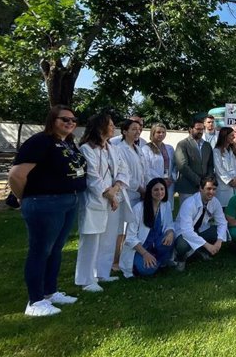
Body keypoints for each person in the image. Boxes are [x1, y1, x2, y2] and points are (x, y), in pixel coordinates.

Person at [9, 105, 87, 316]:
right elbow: (16, 175)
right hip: (44, 202)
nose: (70, 123)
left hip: (68, 201)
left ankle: (50, 292)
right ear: (53, 120)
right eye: (65, 119)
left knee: (55, 249)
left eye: (73, 120)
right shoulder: (40, 141)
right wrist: (23, 197)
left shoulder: (67, 142)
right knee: (40, 250)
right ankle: (34, 302)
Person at [75, 113, 130, 292]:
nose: (113, 128)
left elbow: (122, 169)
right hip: (95, 201)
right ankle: (86, 279)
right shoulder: (86, 149)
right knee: (91, 240)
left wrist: (115, 191)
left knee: (108, 239)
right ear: (100, 127)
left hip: (113, 198)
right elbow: (93, 177)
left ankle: (102, 273)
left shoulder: (112, 148)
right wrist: (110, 194)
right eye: (111, 125)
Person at [119, 178, 175, 278]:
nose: (160, 192)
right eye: (156, 190)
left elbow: (169, 225)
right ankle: (148, 263)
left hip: (155, 244)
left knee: (170, 239)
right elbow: (130, 237)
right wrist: (145, 254)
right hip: (140, 248)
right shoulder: (139, 208)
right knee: (147, 270)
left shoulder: (166, 205)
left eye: (162, 189)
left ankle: (157, 261)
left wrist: (170, 233)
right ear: (150, 191)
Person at [111, 118, 148, 271]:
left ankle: (126, 258)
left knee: (131, 229)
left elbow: (142, 172)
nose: (137, 131)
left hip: (138, 193)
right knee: (120, 229)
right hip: (126, 193)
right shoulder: (119, 148)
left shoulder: (138, 149)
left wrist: (145, 187)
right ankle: (115, 261)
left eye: (139, 129)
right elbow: (125, 174)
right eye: (133, 129)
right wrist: (140, 188)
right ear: (124, 131)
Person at [173, 176, 228, 271]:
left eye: (214, 189)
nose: (212, 192)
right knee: (182, 245)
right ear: (201, 189)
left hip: (200, 229)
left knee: (222, 233)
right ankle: (181, 259)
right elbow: (187, 232)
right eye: (208, 189)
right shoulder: (189, 203)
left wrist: (219, 242)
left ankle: (200, 251)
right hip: (183, 232)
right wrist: (208, 245)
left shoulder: (215, 202)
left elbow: (222, 222)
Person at [175, 118, 214, 203]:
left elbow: (210, 165)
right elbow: (182, 166)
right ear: (190, 129)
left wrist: (208, 180)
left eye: (202, 129)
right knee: (187, 215)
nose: (200, 131)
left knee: (202, 215)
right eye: (198, 129)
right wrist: (199, 181)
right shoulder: (182, 144)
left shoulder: (207, 145)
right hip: (187, 188)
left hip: (203, 188)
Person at [142, 123, 177, 201]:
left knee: (167, 207)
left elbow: (175, 165)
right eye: (158, 132)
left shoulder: (169, 148)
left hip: (169, 184)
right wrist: (161, 181)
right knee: (154, 206)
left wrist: (171, 178)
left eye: (163, 132)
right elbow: (146, 168)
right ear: (153, 133)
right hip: (154, 183)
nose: (161, 134)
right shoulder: (146, 149)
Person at [213, 126, 236, 208]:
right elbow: (219, 169)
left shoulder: (234, 150)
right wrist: (230, 181)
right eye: (231, 135)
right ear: (225, 136)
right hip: (224, 186)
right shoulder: (217, 151)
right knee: (223, 211)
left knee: (235, 210)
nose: (234, 137)